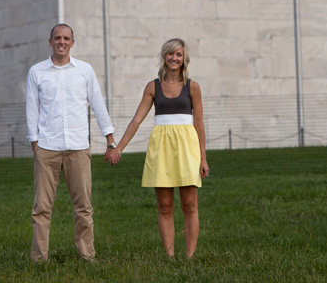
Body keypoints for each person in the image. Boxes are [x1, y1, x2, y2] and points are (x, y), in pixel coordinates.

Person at [104, 38, 209, 259]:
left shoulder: (193, 87)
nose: (174, 58)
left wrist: (203, 159)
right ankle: (170, 257)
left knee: (189, 205)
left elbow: (199, 124)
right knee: (165, 206)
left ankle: (189, 257)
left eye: (178, 55)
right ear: (164, 57)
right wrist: (118, 148)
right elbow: (136, 121)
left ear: (184, 59)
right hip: (161, 149)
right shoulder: (153, 87)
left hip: (187, 149)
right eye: (170, 54)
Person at [26, 23, 116, 262]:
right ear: (50, 41)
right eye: (57, 38)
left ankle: (87, 255)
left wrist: (110, 139)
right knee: (41, 208)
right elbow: (32, 109)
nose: (61, 42)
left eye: (66, 38)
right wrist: (35, 144)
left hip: (78, 148)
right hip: (47, 148)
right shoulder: (37, 72)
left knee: (84, 207)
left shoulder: (84, 71)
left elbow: (97, 103)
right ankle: (39, 257)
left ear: (72, 43)